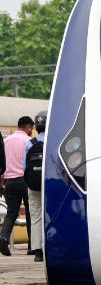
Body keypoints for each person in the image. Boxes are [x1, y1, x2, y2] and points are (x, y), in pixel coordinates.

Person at [0, 117, 35, 257]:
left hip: (10, 182)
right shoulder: (28, 141)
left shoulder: (6, 141)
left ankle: (3, 238)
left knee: (11, 213)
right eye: (31, 128)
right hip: (25, 180)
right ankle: (32, 246)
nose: (31, 131)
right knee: (30, 212)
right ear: (27, 127)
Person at [22, 112, 45, 262]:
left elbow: (24, 166)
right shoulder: (53, 140)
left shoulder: (30, 143)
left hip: (33, 185)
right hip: (49, 183)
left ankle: (38, 251)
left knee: (35, 217)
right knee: (50, 215)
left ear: (36, 127)